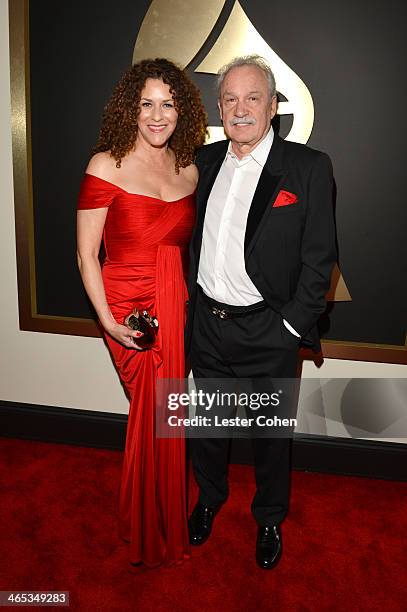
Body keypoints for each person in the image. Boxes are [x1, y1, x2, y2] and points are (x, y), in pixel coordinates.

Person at [185, 55, 337, 569]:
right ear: (219, 107)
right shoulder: (201, 163)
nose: (240, 108)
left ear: (273, 107)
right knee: (206, 427)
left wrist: (290, 326)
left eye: (253, 98)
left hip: (267, 329)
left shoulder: (308, 168)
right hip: (207, 324)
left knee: (270, 436)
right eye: (230, 98)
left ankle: (269, 515)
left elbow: (320, 261)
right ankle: (208, 500)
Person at [76, 58, 207, 568]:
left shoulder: (190, 168)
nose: (157, 115)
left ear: (183, 111)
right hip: (125, 306)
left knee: (165, 413)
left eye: (168, 104)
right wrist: (107, 321)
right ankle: (150, 522)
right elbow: (87, 254)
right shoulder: (104, 164)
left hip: (175, 303)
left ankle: (163, 517)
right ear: (131, 108)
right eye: (147, 103)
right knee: (150, 411)